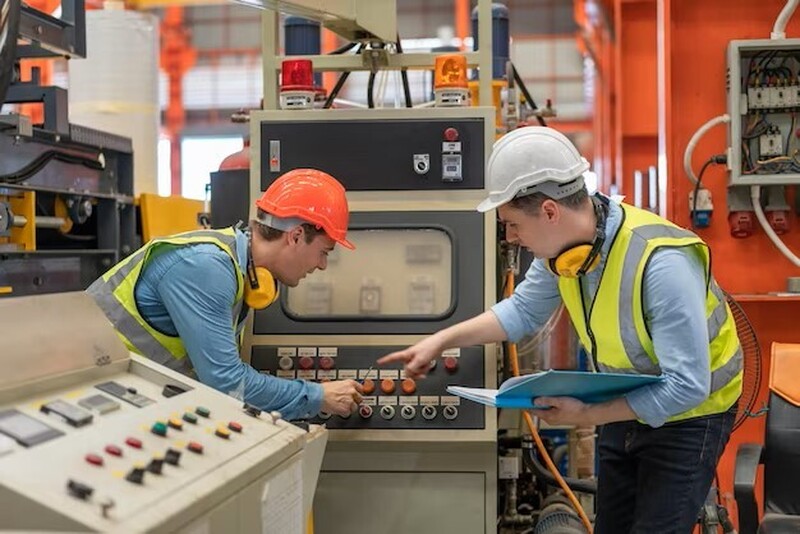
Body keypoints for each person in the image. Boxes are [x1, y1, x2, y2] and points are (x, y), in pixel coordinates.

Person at [379, 127, 742, 533]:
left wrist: (587, 413)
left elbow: (687, 386)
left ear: (550, 211)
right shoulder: (567, 254)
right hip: (626, 402)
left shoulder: (660, 264)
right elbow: (521, 312)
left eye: (513, 225)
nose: (512, 238)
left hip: (690, 415)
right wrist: (441, 340)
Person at [88, 168, 363, 420]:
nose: (322, 265)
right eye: (324, 252)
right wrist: (317, 397)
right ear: (296, 236)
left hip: (129, 394)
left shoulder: (240, 271)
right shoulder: (206, 267)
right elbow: (226, 382)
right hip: (95, 398)